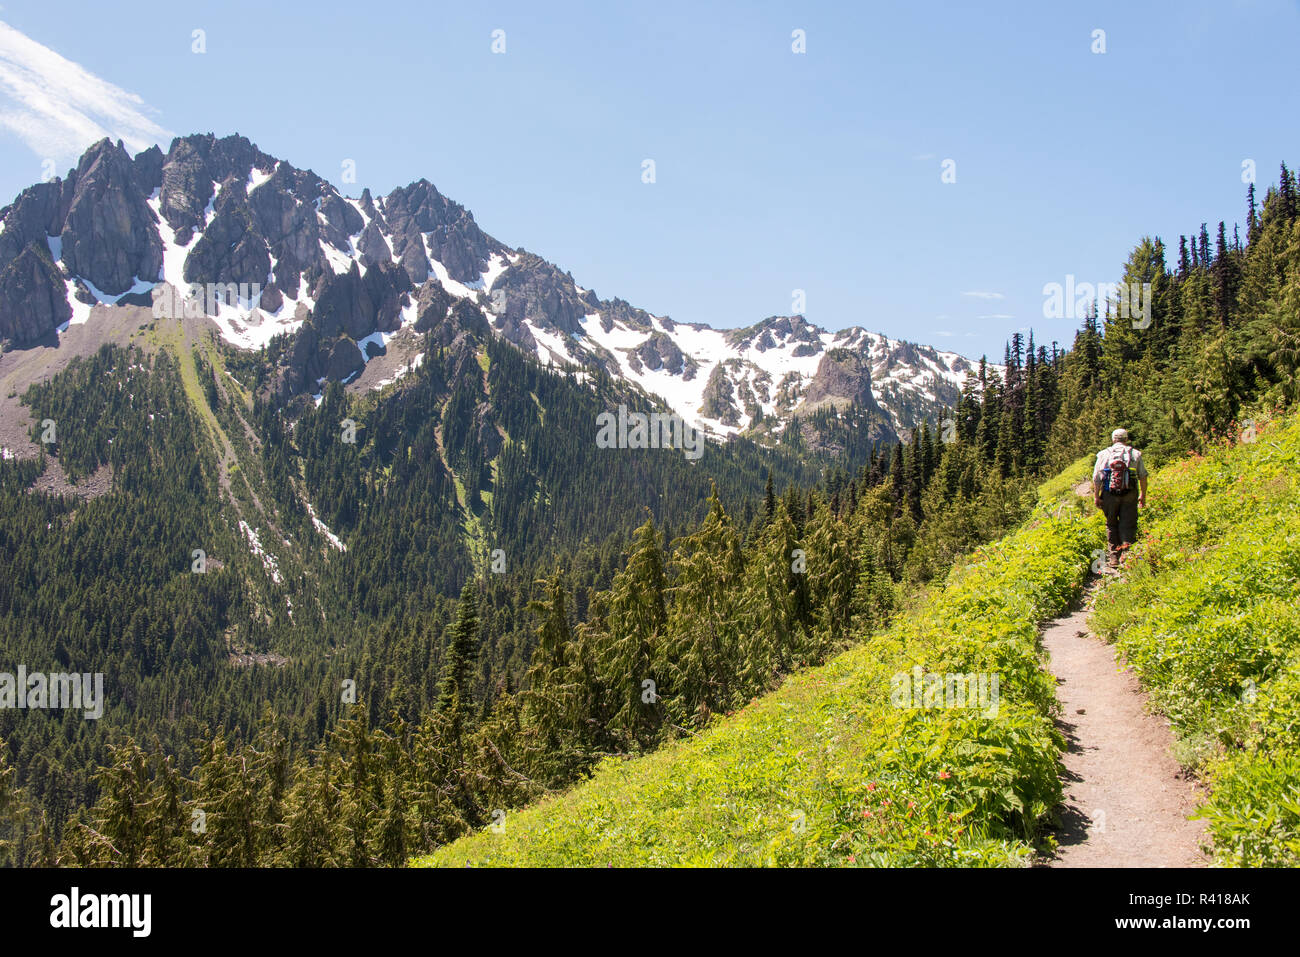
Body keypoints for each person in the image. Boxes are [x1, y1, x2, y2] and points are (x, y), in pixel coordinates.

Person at [1093, 428, 1148, 570]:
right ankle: (1127, 556)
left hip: (1109, 494)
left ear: (1113, 439)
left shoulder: (1104, 454)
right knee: (1128, 523)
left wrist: (1096, 496)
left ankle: (1113, 557)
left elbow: (1097, 478)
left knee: (1111, 524)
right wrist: (1143, 494)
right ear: (1126, 439)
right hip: (1130, 493)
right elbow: (1143, 475)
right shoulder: (1135, 454)